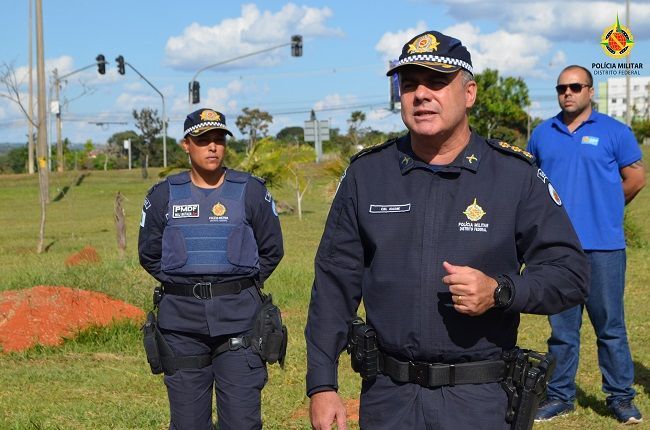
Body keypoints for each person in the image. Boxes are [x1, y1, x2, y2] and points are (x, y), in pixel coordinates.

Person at [304, 30, 590, 430]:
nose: (421, 94)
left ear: (469, 93)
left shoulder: (513, 176)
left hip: (480, 399)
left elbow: (570, 274)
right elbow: (334, 284)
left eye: (437, 81)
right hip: (389, 397)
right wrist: (322, 384)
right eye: (409, 84)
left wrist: (501, 291)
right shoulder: (367, 175)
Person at [138, 108, 284, 430]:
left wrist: (237, 287)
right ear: (186, 145)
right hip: (181, 327)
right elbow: (148, 254)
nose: (213, 147)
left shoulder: (251, 191)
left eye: (219, 139)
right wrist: (186, 288)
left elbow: (272, 249)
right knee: (188, 423)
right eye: (203, 140)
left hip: (240, 323)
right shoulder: (163, 195)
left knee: (242, 422)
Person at [528, 65, 646, 425]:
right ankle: (560, 396)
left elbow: (636, 178)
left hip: (605, 249)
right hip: (556, 251)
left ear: (590, 91)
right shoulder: (542, 134)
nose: (568, 93)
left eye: (575, 86)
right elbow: (531, 184)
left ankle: (621, 398)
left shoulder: (615, 132)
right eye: (562, 87)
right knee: (562, 333)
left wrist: (608, 205)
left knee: (610, 328)